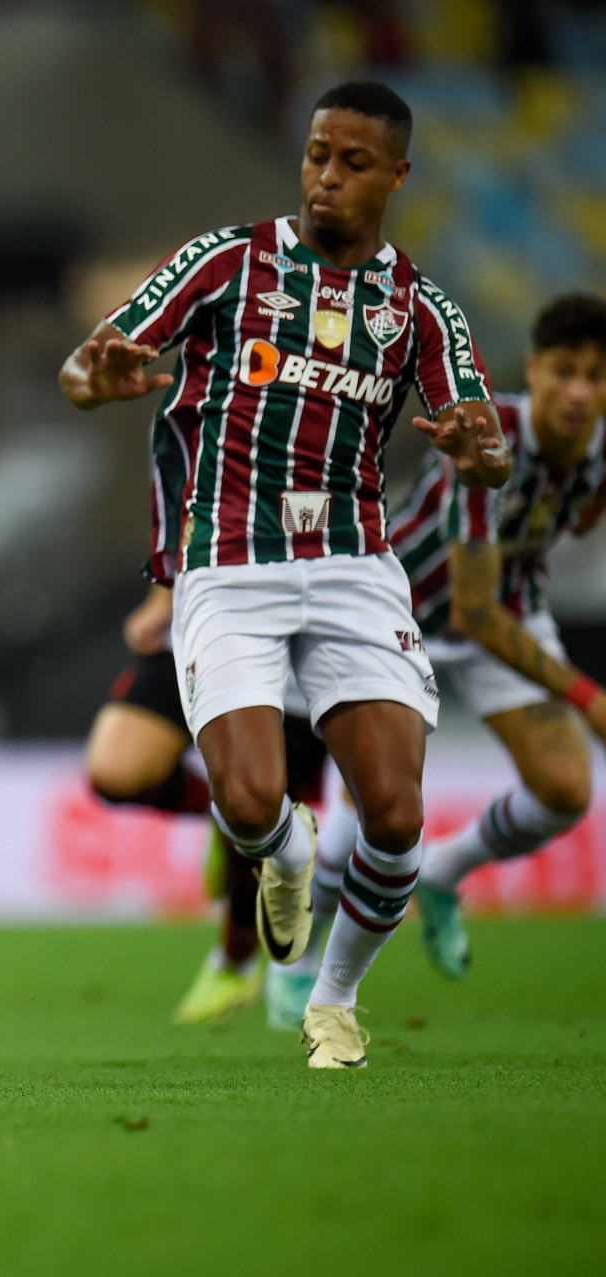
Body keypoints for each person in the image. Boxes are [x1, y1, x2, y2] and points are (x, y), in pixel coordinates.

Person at [59, 81, 509, 1069]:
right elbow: (95, 363)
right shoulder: (228, 262)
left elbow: (477, 433)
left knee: (395, 812)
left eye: (352, 163)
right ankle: (290, 856)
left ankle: (334, 999)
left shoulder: (421, 306)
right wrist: (96, 377)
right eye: (315, 155)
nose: (326, 178)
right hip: (228, 560)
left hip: (352, 563)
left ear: (395, 176)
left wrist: (480, 454)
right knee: (254, 799)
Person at [270, 293, 606, 1006]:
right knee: (372, 816)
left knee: (566, 791)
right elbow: (473, 610)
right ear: (536, 370)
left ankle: (447, 874)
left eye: (598, 376)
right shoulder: (492, 437)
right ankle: (295, 966)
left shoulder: (598, 449)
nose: (580, 392)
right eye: (566, 372)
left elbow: (574, 522)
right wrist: (588, 696)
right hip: (403, 614)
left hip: (508, 608)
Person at [88, 582, 328, 1024]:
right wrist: (162, 599)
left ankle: (235, 962)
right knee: (116, 771)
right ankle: (224, 813)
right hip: (201, 622)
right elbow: (182, 511)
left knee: (258, 813)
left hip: (296, 649)